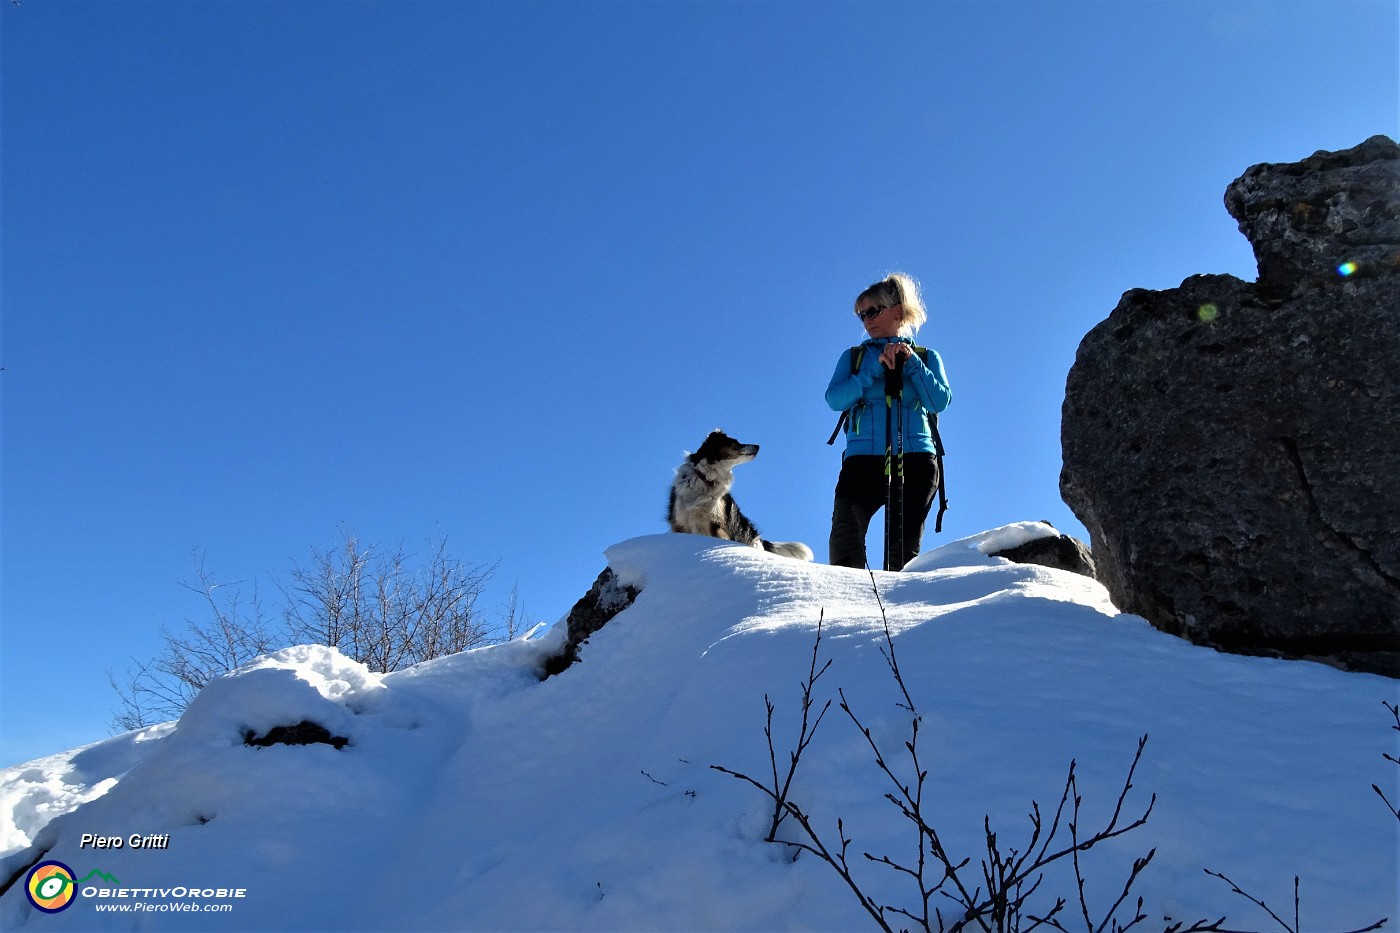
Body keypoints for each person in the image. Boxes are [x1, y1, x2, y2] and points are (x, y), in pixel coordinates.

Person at [826, 272, 952, 571]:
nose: (866, 320)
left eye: (872, 311)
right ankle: (851, 603)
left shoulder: (926, 356)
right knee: (845, 538)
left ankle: (895, 611)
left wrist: (912, 364)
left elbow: (939, 401)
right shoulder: (855, 357)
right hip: (861, 461)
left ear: (897, 311)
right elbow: (835, 400)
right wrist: (873, 367)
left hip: (916, 458)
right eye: (861, 315)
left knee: (903, 550)